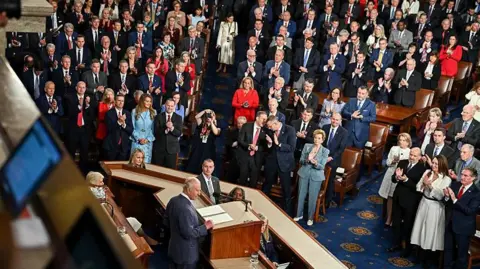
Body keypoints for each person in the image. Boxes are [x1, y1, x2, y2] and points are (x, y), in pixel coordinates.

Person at [410, 155, 451, 267]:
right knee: (420, 227)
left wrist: (430, 186)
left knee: (430, 230)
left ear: (442, 164)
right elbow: (418, 187)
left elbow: (440, 196)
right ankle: (419, 255)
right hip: (424, 203)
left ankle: (428, 258)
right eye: (433, 162)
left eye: (436, 164)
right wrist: (423, 184)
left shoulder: (446, 179)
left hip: (435, 207)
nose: (433, 165)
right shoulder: (427, 172)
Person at [165, 177, 214, 269]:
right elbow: (188, 233)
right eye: (197, 190)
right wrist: (205, 227)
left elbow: (166, 221)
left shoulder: (173, 200)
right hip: (185, 256)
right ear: (188, 189)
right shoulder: (185, 209)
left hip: (174, 249)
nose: (199, 194)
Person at [387, 147, 426, 257]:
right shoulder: (403, 162)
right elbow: (393, 179)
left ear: (419, 157)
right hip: (398, 196)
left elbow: (417, 187)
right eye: (411, 155)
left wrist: (406, 180)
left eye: (414, 156)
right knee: (396, 222)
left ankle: (407, 248)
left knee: (408, 225)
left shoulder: (422, 168)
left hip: (411, 200)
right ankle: (396, 244)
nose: (412, 157)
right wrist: (396, 177)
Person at [443, 167, 480, 269]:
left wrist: (454, 199)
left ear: (473, 178)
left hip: (463, 228)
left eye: (465, 175)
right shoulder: (455, 185)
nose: (462, 177)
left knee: (461, 256)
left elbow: (470, 211)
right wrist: (446, 197)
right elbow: (447, 203)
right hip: (450, 223)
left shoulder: (476, 193)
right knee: (448, 250)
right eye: (462, 174)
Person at [294, 129, 329, 226]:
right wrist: (307, 159)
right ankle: (298, 214)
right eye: (315, 138)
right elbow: (301, 161)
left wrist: (315, 163)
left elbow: (322, 166)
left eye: (319, 138)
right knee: (301, 194)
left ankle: (310, 218)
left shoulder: (325, 151)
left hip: (316, 176)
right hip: (304, 173)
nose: (316, 140)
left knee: (312, 197)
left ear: (322, 140)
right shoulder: (307, 146)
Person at [262, 116, 296, 215]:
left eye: (270, 126)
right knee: (267, 185)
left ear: (276, 124)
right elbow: (267, 148)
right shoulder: (269, 130)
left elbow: (292, 147)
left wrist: (279, 144)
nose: (268, 128)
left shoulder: (290, 130)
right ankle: (262, 206)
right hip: (271, 162)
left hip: (284, 163)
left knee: (286, 188)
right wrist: (269, 143)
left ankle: (287, 212)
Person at [378, 133, 412, 227]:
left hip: (401, 177)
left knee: (397, 198)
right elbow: (387, 162)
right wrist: (393, 161)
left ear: (408, 142)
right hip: (391, 173)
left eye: (404, 140)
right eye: (400, 140)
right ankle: (388, 218)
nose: (401, 142)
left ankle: (395, 218)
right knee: (390, 197)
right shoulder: (394, 148)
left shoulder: (410, 152)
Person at [64, 81, 95, 173]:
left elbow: (92, 116)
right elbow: (69, 114)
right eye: (80, 87)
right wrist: (79, 106)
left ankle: (83, 174)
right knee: (71, 153)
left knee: (84, 154)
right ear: (76, 88)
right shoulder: (69, 98)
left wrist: (88, 106)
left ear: (86, 89)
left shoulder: (90, 98)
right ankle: (69, 173)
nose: (81, 89)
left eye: (83, 87)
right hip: (73, 130)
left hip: (85, 131)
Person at [237, 111, 268, 188]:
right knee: (242, 179)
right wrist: (248, 146)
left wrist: (257, 148)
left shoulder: (266, 130)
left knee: (254, 181)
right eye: (263, 119)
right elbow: (240, 140)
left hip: (257, 159)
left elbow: (266, 146)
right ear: (257, 118)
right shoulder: (246, 126)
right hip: (245, 156)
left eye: (265, 119)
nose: (264, 121)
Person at [186, 109, 221, 173]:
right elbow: (197, 117)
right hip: (199, 146)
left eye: (211, 116)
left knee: (204, 163)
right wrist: (205, 111)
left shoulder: (217, 127)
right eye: (208, 116)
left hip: (208, 148)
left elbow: (216, 132)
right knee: (194, 161)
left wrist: (212, 122)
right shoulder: (202, 124)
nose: (209, 117)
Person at [152, 98, 182, 169]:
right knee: (157, 170)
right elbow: (155, 133)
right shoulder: (158, 117)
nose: (170, 107)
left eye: (172, 106)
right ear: (165, 105)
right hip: (159, 149)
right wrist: (165, 129)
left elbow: (179, 133)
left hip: (172, 150)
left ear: (174, 106)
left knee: (170, 171)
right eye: (168, 105)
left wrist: (172, 128)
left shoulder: (178, 118)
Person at [103, 94, 133, 161]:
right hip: (111, 146)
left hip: (123, 147)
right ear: (115, 101)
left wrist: (124, 125)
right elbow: (109, 129)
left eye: (122, 101)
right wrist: (119, 122)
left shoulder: (127, 113)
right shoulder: (108, 113)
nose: (121, 102)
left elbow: (131, 130)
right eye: (119, 100)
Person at [131, 94, 156, 163]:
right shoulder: (134, 111)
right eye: (147, 101)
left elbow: (153, 130)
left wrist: (147, 139)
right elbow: (132, 127)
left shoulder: (153, 112)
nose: (149, 103)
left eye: (150, 101)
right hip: (136, 141)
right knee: (135, 164)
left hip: (147, 143)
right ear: (142, 101)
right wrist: (138, 138)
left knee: (145, 165)